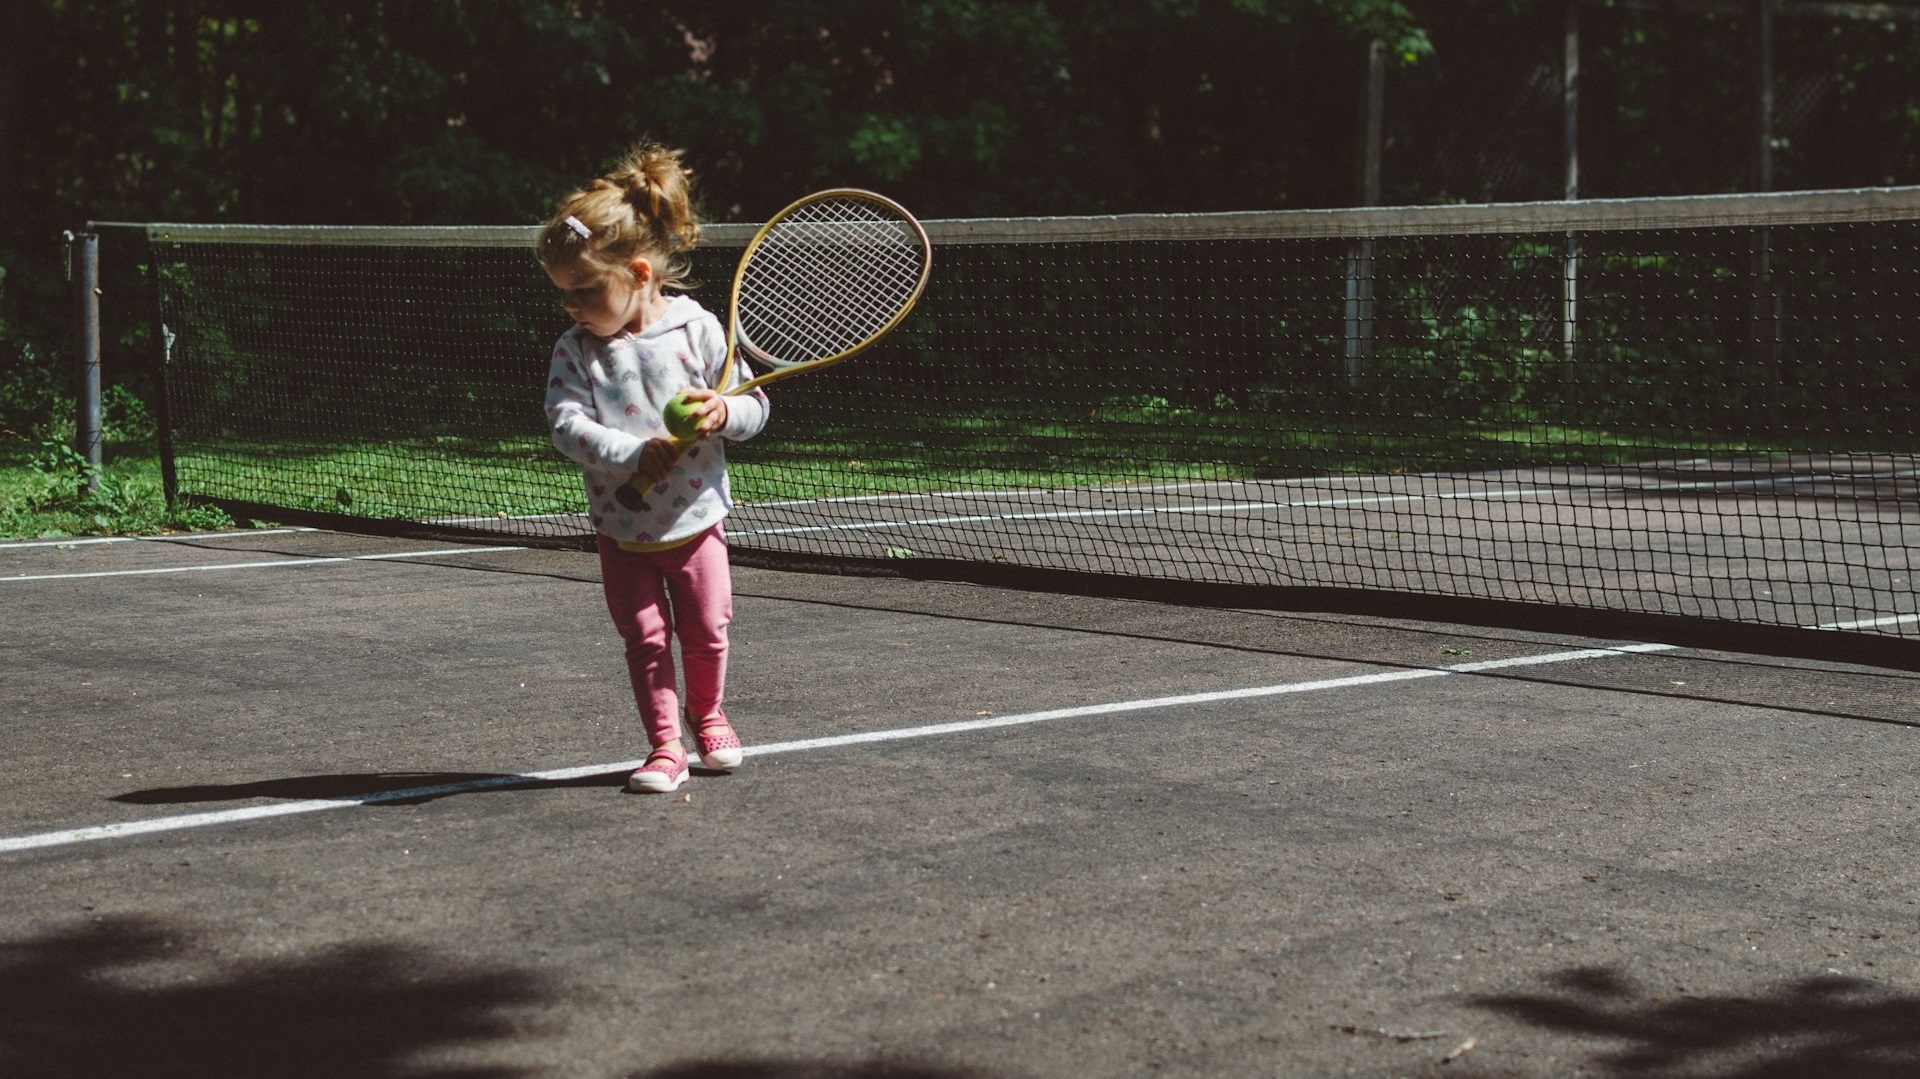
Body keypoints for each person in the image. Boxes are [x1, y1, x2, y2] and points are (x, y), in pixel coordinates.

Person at [536, 143, 769, 794]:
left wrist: (724, 412)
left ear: (638, 272)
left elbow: (754, 405)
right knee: (645, 639)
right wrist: (632, 454)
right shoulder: (575, 349)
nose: (573, 307)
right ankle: (665, 745)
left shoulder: (697, 331)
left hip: (695, 522)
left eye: (584, 290)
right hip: (622, 528)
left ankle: (708, 713)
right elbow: (565, 425)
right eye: (564, 295)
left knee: (708, 631)